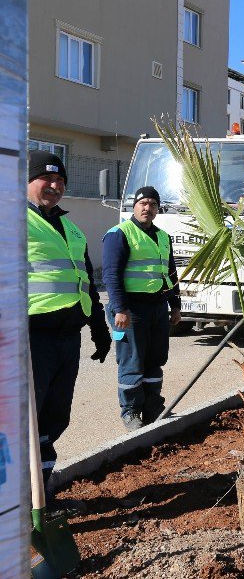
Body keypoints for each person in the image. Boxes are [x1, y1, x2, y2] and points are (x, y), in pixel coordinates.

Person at [26, 151, 111, 498]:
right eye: (46, 179)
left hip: (66, 340)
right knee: (23, 425)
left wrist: (99, 328)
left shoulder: (71, 227)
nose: (54, 186)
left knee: (53, 419)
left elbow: (85, 283)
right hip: (29, 339)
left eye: (60, 180)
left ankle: (40, 498)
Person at [102, 186, 181, 430]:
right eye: (143, 203)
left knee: (155, 359)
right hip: (130, 310)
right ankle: (131, 411)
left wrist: (175, 306)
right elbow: (111, 275)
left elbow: (170, 272)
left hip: (157, 308)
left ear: (158, 208)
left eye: (153, 204)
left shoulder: (162, 236)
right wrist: (120, 309)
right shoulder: (119, 234)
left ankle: (153, 406)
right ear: (134, 206)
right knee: (131, 361)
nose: (148, 208)